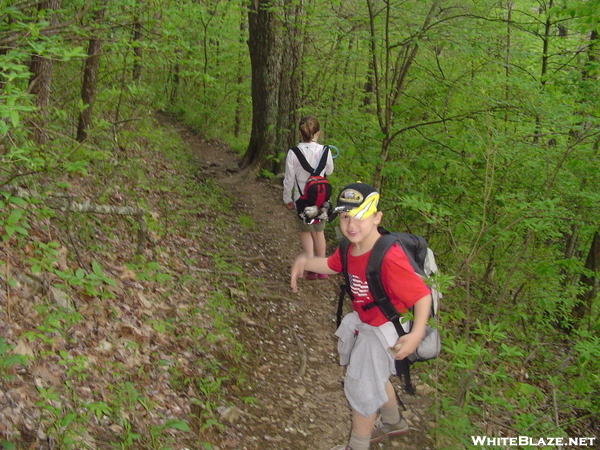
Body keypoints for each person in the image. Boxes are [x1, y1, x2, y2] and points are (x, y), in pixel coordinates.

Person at [290, 183, 432, 450]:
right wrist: (304, 262)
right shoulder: (348, 247)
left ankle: (358, 445)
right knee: (373, 376)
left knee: (361, 386)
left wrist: (416, 334)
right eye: (345, 216)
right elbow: (331, 265)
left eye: (360, 216)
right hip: (366, 322)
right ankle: (393, 422)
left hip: (383, 329)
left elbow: (421, 295)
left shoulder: (388, 257)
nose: (351, 224)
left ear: (377, 218)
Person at [283, 115, 334, 280]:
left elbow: (289, 178)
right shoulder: (325, 151)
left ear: (301, 133)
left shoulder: (293, 152)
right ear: (318, 133)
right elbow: (330, 171)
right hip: (319, 198)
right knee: (319, 233)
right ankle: (322, 269)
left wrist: (287, 198)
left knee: (306, 231)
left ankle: (311, 268)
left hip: (301, 199)